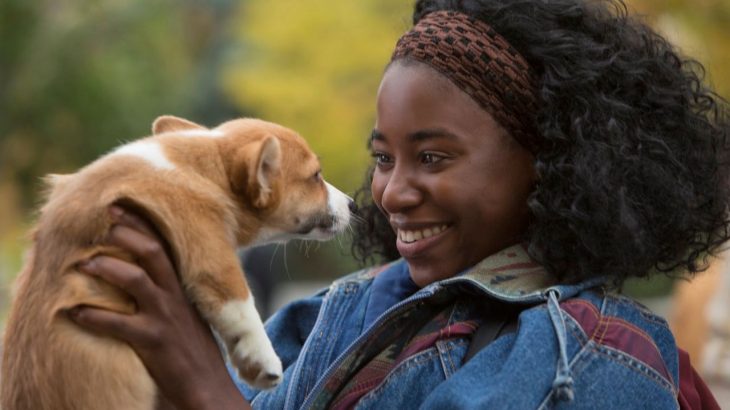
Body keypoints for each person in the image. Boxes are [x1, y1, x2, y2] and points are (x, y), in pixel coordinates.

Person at [69, 0, 729, 408]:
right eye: (384, 157)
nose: (392, 191)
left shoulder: (597, 360)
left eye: (433, 157)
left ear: (549, 162)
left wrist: (202, 388)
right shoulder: (349, 310)